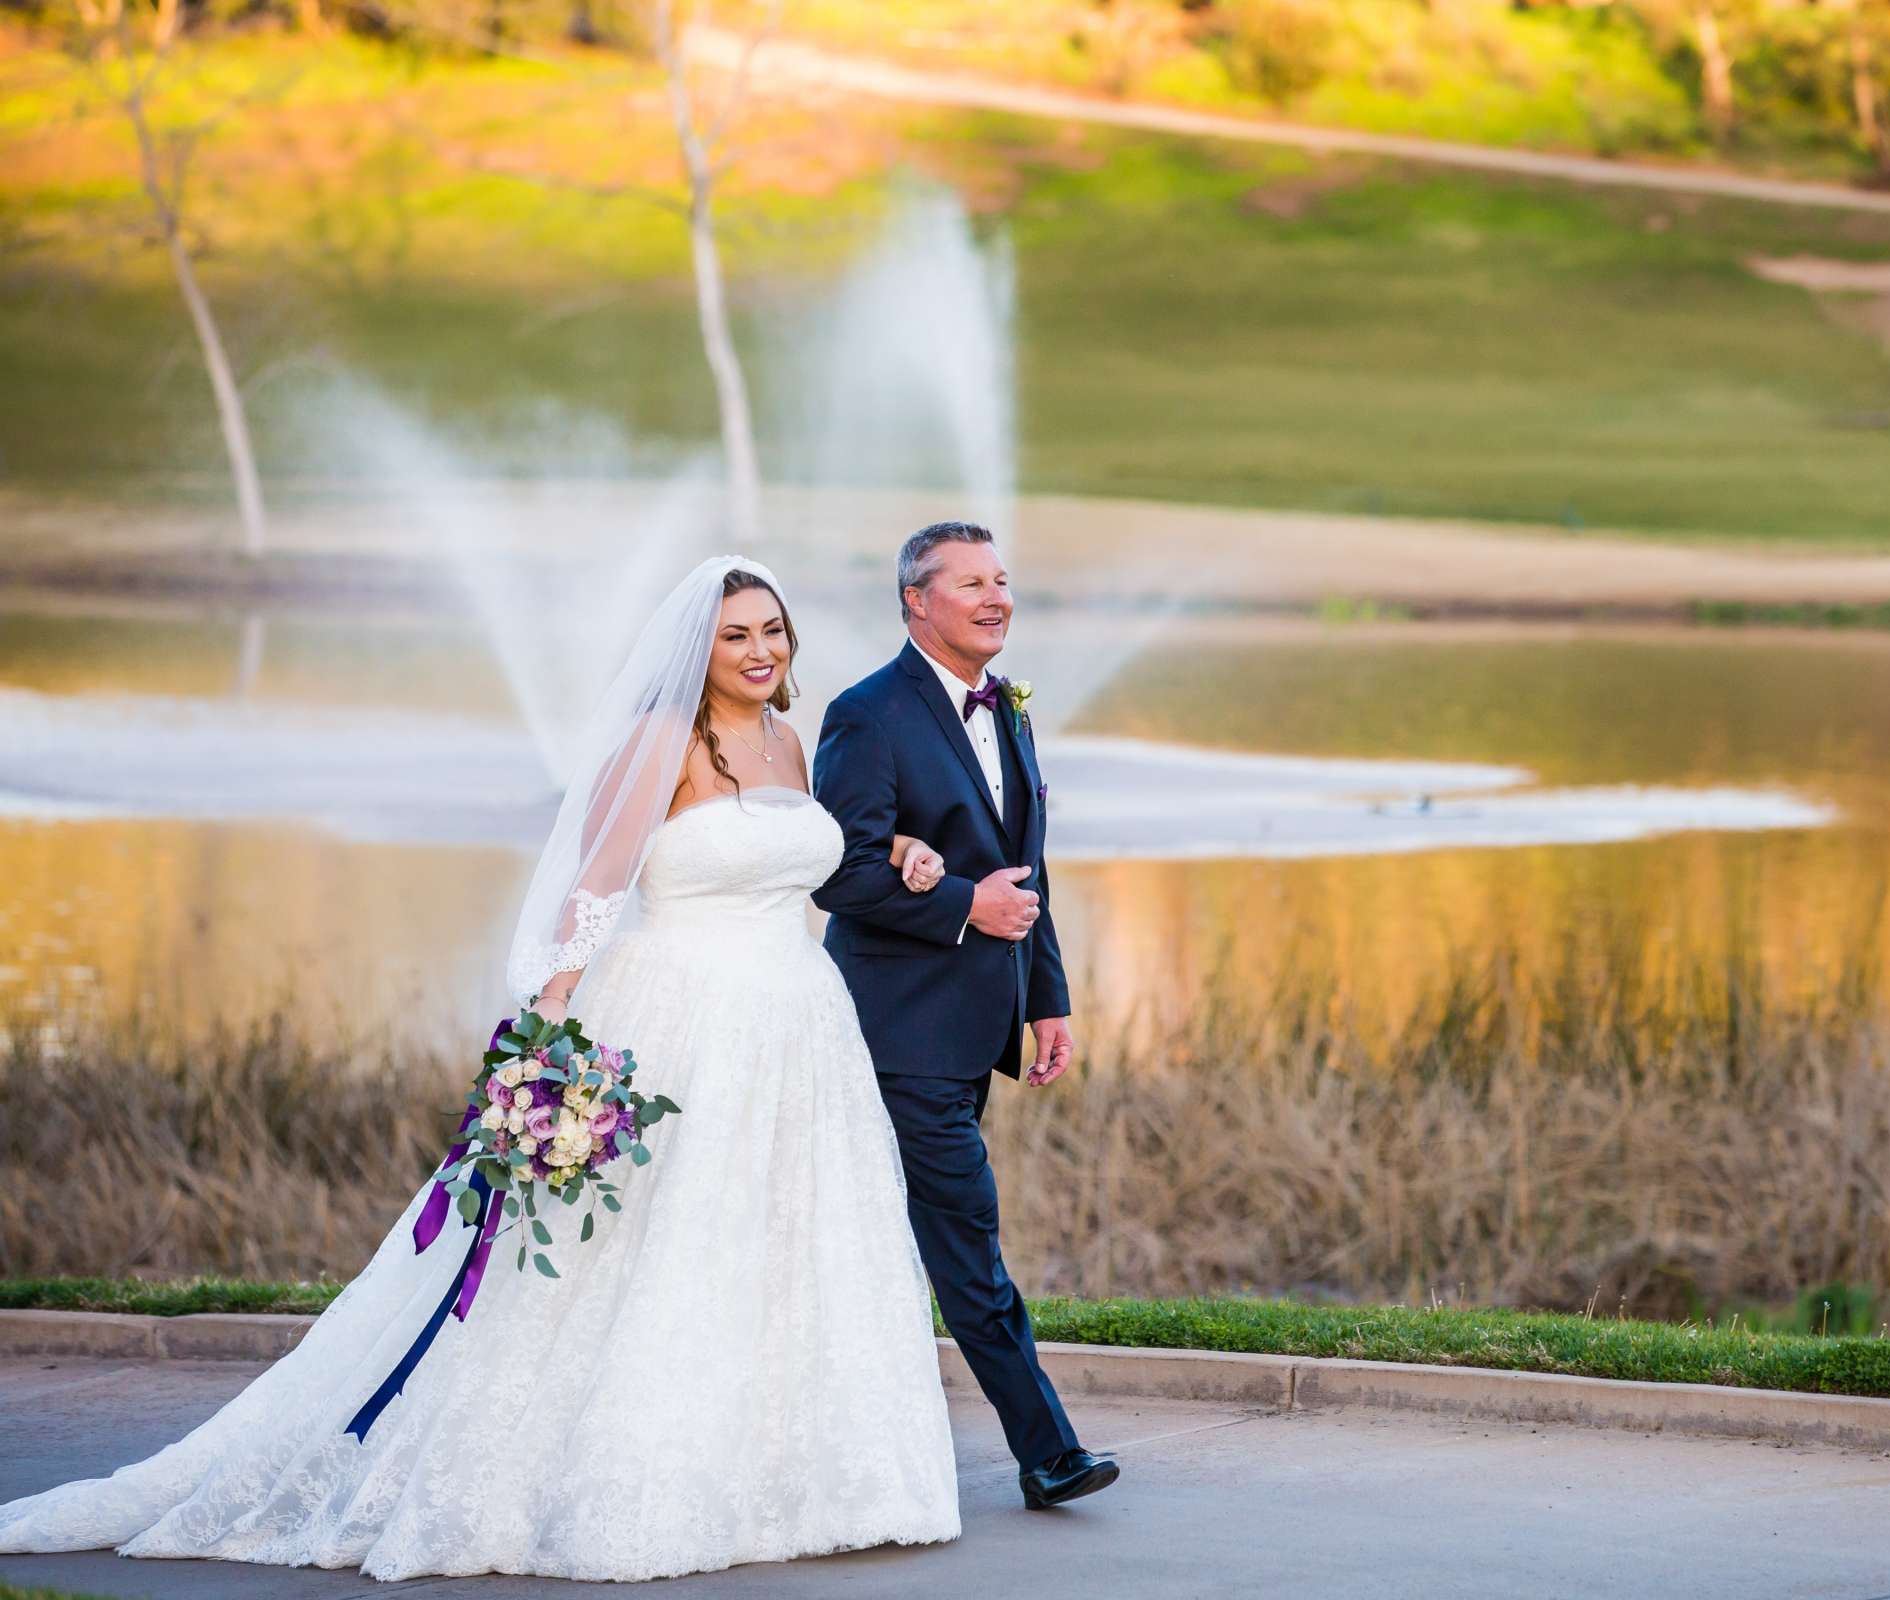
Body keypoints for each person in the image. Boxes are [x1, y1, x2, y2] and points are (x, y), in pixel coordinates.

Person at [0, 556, 963, 1582]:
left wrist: (902, 853)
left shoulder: (787, 739)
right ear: (699, 647)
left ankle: (793, 1477)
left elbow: (791, 877)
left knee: (775, 1240)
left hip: (798, 1026)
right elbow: (595, 886)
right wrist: (550, 1026)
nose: (761, 650)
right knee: (647, 1244)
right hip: (684, 1015)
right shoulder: (661, 740)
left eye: (773, 629)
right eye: (736, 635)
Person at [812, 520, 1119, 1512]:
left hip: (977, 1025)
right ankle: (1048, 1451)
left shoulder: (1011, 711)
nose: (998, 599)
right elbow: (843, 872)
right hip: (897, 1028)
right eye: (972, 584)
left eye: (1003, 581)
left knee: (933, 1236)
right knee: (966, 1234)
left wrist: (1048, 1001)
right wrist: (962, 906)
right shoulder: (868, 714)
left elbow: (1024, 872)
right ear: (916, 601)